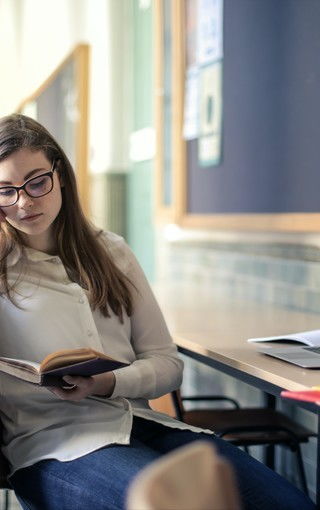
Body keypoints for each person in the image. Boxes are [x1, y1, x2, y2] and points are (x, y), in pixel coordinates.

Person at [0, 113, 315, 510]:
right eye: (5, 190)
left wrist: (104, 383)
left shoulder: (110, 251)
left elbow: (168, 364)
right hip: (54, 445)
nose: (25, 201)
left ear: (59, 173)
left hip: (144, 424)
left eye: (36, 181)